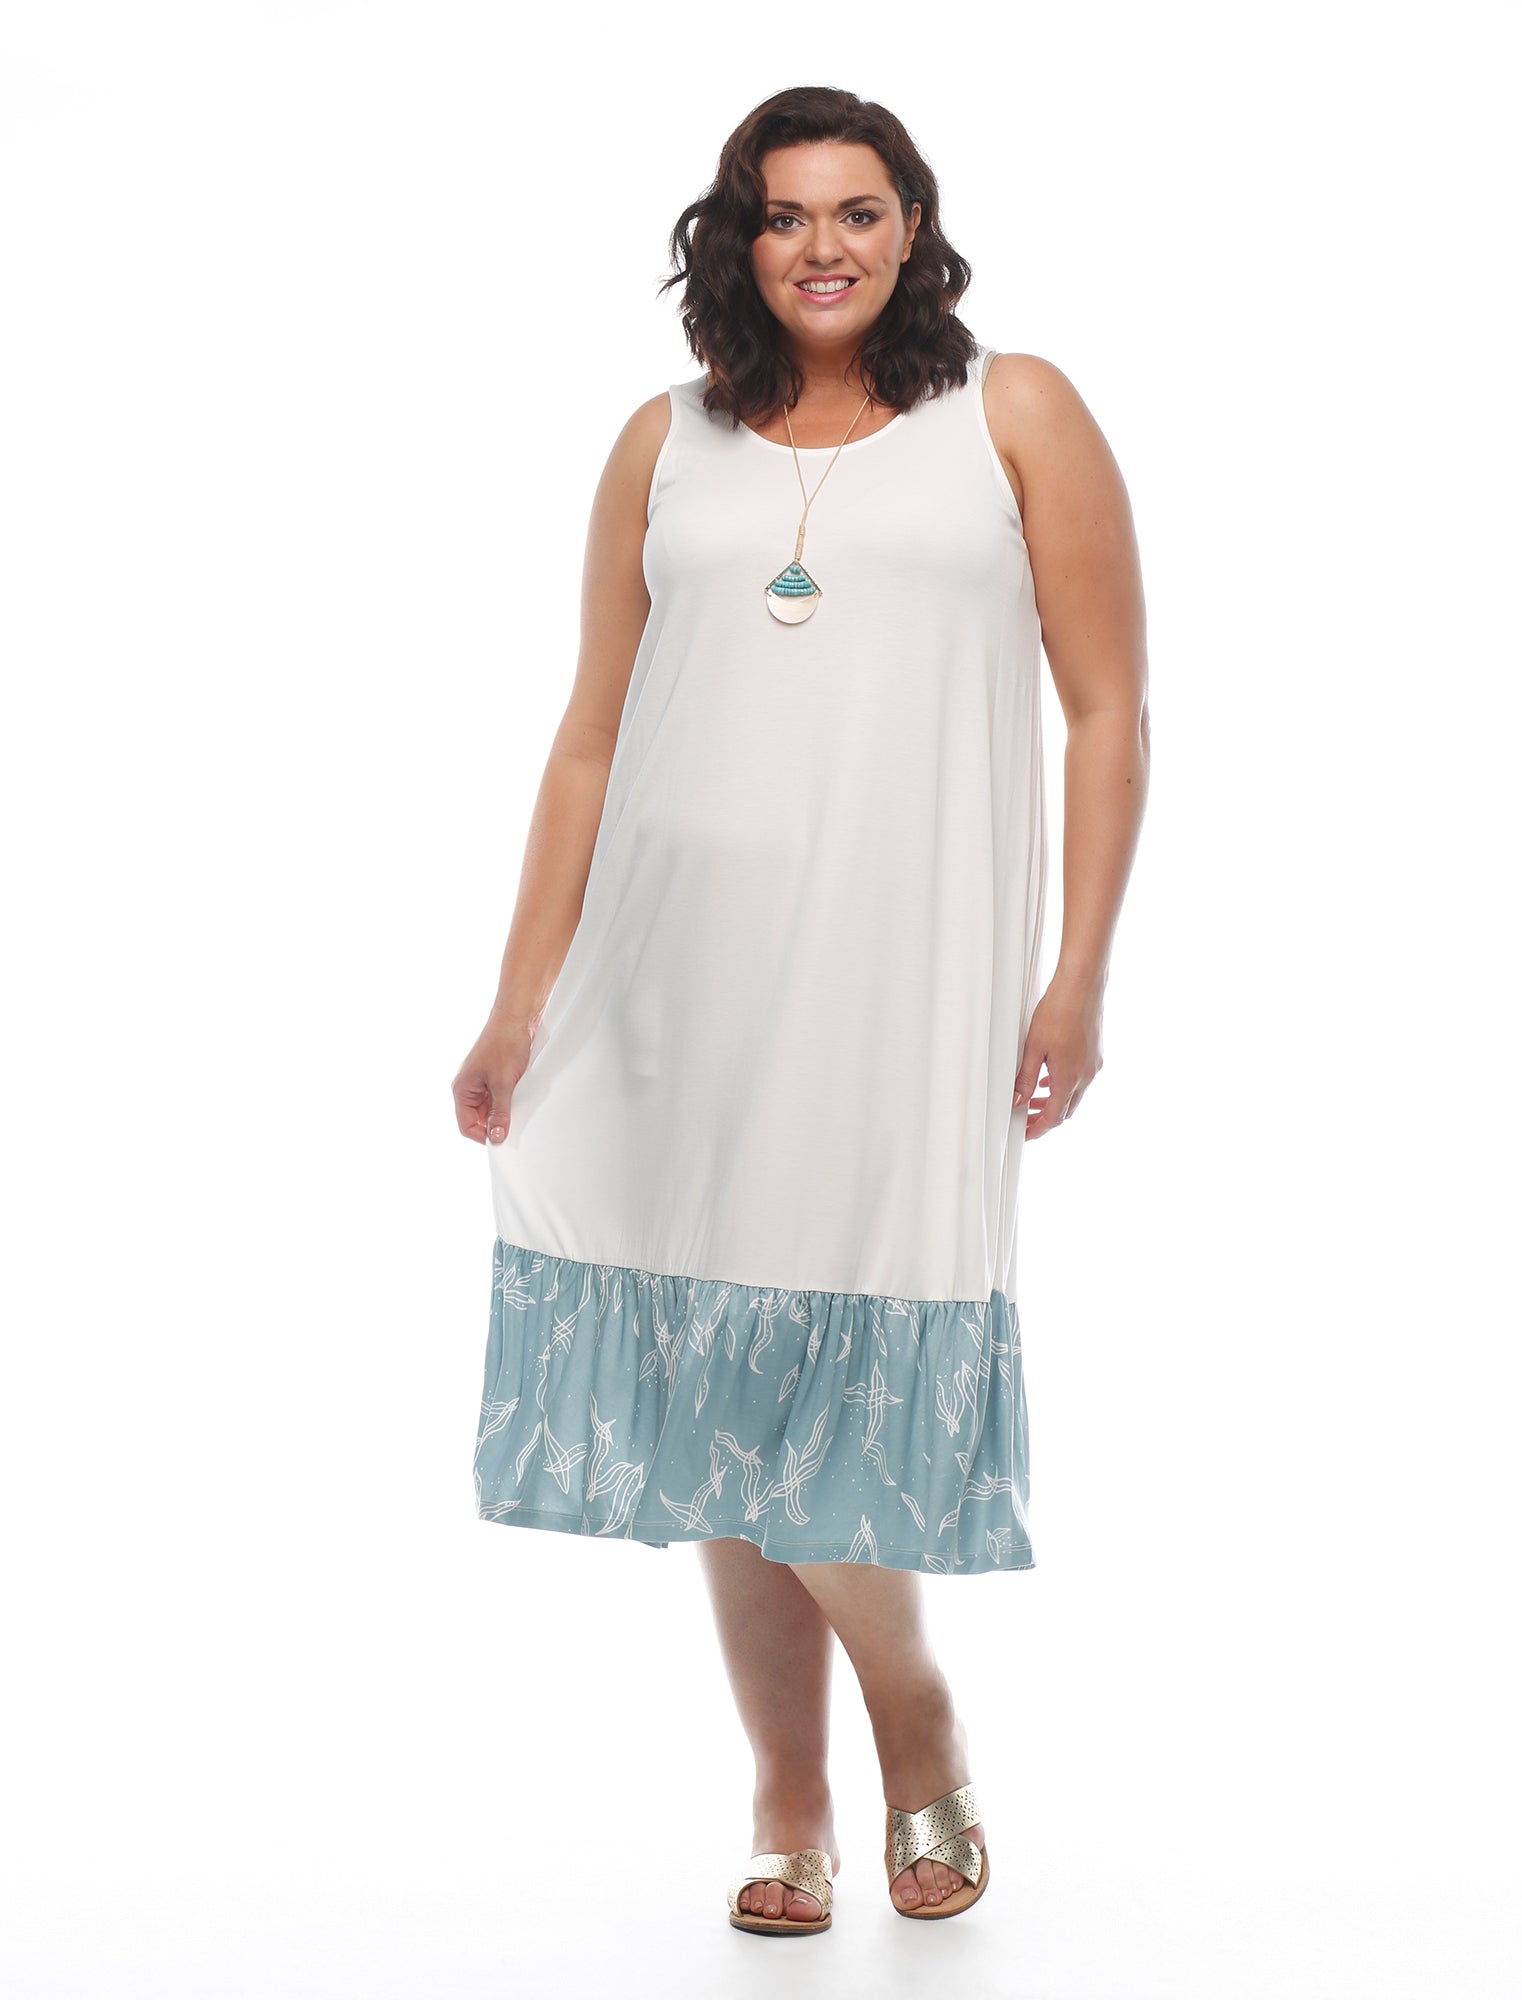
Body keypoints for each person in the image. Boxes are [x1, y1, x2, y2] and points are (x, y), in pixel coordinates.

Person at [451, 85, 1149, 1935]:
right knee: (711, 1383)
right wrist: (520, 1001)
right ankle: (789, 1793)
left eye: (857, 210)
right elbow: (591, 735)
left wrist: (1080, 969)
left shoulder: (1013, 413)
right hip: (669, 978)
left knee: (817, 1374)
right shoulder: (665, 441)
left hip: (898, 982)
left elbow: (1107, 707)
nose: (821, 246)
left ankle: (912, 1716)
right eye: (783, 215)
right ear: (736, 239)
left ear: (914, 224)